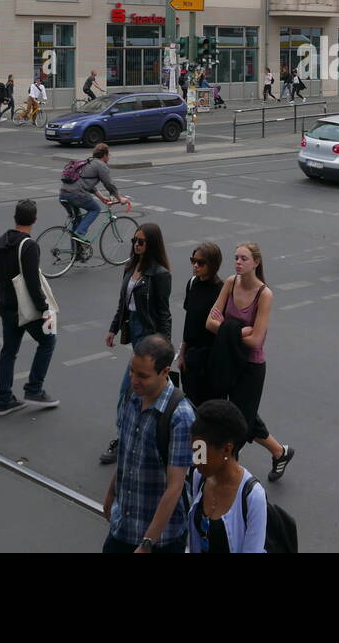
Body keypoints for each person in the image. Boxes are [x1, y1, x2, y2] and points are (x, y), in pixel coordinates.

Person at [206, 242, 295, 481]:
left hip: (251, 366)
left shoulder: (264, 294)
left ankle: (229, 473)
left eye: (244, 258)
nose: (238, 262)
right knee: (239, 414)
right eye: (236, 258)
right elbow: (209, 323)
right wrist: (240, 331)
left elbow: (256, 341)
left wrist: (227, 329)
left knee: (240, 420)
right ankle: (280, 452)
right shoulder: (229, 283)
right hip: (228, 359)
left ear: (256, 262)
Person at [102, 335, 196, 553]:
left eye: (143, 376)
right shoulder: (132, 398)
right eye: (132, 371)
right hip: (123, 527)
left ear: (164, 372)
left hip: (160, 540)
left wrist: (147, 543)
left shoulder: (180, 416)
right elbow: (126, 455)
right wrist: (110, 495)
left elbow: (175, 486)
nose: (134, 379)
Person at [100, 223, 173, 464]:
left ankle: (123, 439)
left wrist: (165, 348)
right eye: (134, 241)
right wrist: (113, 328)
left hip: (149, 336)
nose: (136, 245)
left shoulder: (160, 274)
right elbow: (123, 303)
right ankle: (136, 437)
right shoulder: (130, 268)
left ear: (151, 244)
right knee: (143, 391)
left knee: (128, 389)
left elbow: (163, 312)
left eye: (141, 241)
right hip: (133, 328)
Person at [0, 199, 59, 416]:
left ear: (15, 217)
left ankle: (3, 399)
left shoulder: (1, 240)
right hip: (25, 307)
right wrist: (44, 309)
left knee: (9, 351)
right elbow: (32, 282)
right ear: (35, 220)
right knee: (48, 341)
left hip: (6, 305)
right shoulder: (29, 246)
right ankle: (34, 389)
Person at [186, 399, 268, 553]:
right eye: (195, 451)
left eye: (201, 453)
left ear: (226, 449)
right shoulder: (199, 477)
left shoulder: (253, 497)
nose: (195, 460)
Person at [60, 143, 133, 247]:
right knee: (95, 209)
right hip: (76, 194)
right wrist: (120, 198)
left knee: (77, 220)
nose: (109, 156)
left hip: (63, 194)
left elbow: (88, 185)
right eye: (109, 154)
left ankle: (76, 252)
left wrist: (102, 197)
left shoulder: (87, 162)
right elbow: (109, 185)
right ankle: (79, 233)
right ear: (105, 155)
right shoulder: (101, 165)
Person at [179, 243, 223, 407]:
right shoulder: (192, 283)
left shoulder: (221, 290)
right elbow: (188, 322)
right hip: (191, 357)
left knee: (208, 406)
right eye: (193, 260)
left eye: (201, 262)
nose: (195, 266)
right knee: (189, 403)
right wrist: (182, 353)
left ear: (213, 264)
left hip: (210, 359)